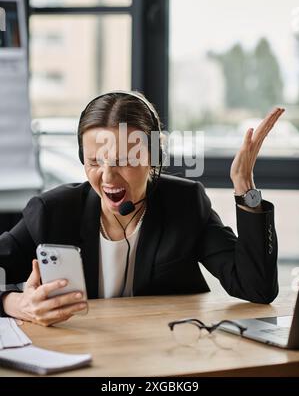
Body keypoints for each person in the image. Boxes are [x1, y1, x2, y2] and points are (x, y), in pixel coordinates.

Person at [0, 91, 284, 326]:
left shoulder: (184, 203)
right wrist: (15, 303)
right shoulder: (52, 211)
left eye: (125, 160)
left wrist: (245, 187)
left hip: (165, 356)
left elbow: (257, 288)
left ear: (154, 158)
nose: (108, 177)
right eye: (95, 161)